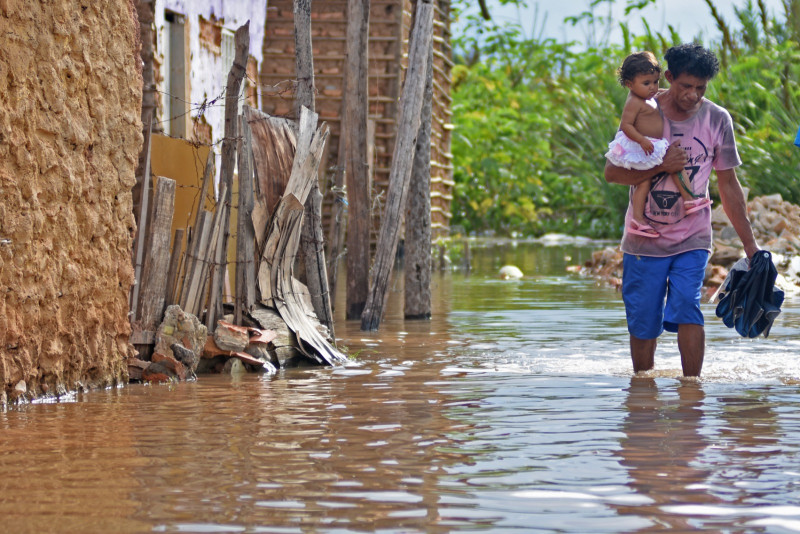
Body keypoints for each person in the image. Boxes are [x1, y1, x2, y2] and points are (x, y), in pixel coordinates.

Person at [604, 43, 759, 377]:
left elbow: (728, 185)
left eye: (700, 88)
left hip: (693, 235)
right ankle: (643, 388)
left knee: (689, 306)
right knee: (644, 320)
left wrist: (751, 246)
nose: (693, 95)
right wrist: (660, 166)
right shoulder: (643, 110)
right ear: (669, 77)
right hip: (644, 238)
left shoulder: (718, 119)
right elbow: (612, 173)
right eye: (685, 86)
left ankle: (692, 388)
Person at [606, 51, 713, 238]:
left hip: (652, 143)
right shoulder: (633, 101)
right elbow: (626, 125)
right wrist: (642, 140)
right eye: (646, 83)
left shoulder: (648, 98)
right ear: (630, 84)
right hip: (643, 145)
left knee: (646, 180)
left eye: (655, 82)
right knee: (668, 166)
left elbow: (662, 97)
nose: (653, 88)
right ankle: (686, 200)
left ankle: (641, 219)